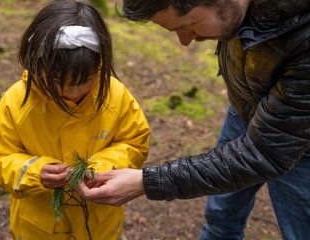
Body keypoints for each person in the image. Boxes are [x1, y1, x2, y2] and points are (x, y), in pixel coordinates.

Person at [77, 0, 310, 239]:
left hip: (299, 142)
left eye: (189, 25)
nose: (185, 40)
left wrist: (145, 182)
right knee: (221, 213)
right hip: (244, 108)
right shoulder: (232, 12)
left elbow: (264, 153)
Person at [0, 1, 150, 239]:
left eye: (85, 79)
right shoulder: (17, 101)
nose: (71, 91)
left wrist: (98, 168)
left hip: (98, 227)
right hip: (38, 229)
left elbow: (134, 142)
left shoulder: (115, 96)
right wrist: (34, 172)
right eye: (59, 78)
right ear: (38, 62)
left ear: (99, 63)